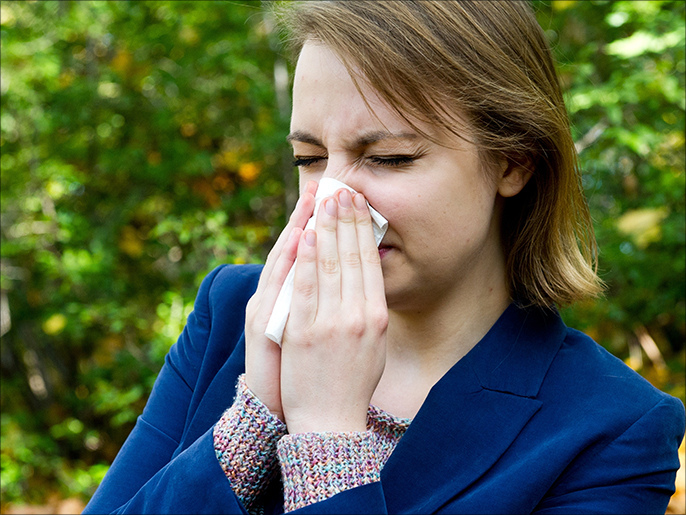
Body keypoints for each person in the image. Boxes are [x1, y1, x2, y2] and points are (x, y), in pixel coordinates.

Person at [83, 1, 685, 514]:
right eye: (309, 159)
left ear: (513, 160)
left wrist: (328, 445)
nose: (331, 199)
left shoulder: (612, 429)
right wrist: (253, 423)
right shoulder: (232, 312)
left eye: (390, 157)